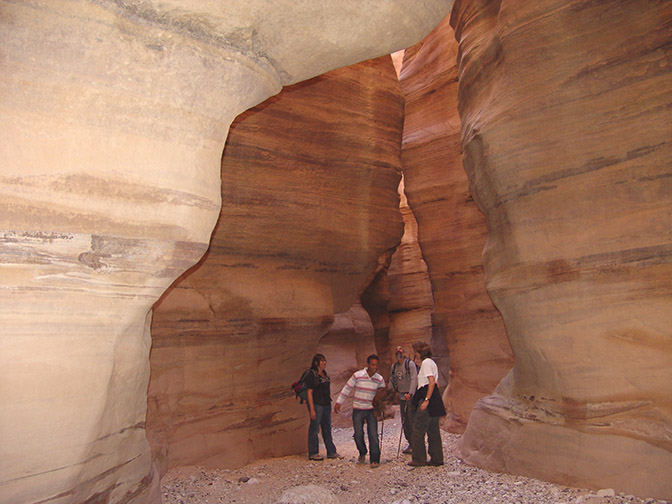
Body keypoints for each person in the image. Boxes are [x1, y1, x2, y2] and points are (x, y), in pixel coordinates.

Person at [334, 354, 386, 468]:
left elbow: (382, 395)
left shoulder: (379, 379)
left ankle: (375, 459)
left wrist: (380, 408)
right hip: (358, 408)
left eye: (376, 365)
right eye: (372, 364)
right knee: (358, 434)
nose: (374, 367)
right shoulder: (358, 376)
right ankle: (362, 452)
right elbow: (347, 388)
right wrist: (339, 402)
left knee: (373, 434)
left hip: (371, 410)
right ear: (368, 364)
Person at [408, 341, 445, 467]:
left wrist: (426, 400)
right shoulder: (432, 363)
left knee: (418, 429)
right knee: (433, 430)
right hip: (434, 398)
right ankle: (437, 458)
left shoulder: (426, 363)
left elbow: (431, 381)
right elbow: (437, 383)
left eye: (415, 352)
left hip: (427, 398)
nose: (414, 354)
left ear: (419, 352)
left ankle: (419, 459)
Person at [305, 353, 340, 461]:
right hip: (317, 405)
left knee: (327, 428)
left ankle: (331, 452)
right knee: (314, 429)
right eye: (322, 361)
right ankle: (313, 453)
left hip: (326, 404)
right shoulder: (312, 374)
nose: (324, 363)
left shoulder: (324, 374)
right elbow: (309, 392)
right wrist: (312, 409)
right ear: (316, 363)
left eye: (325, 360)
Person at [388, 345, 417, 454]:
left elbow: (414, 379)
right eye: (397, 351)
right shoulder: (394, 366)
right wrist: (389, 392)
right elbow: (392, 379)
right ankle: (410, 442)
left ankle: (416, 444)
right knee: (405, 420)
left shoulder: (409, 364)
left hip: (410, 397)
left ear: (404, 353)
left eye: (400, 350)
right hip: (401, 396)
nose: (398, 353)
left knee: (412, 419)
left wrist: (411, 392)